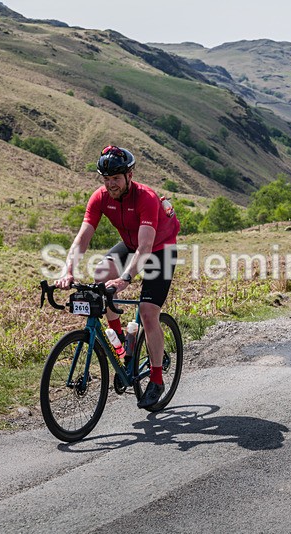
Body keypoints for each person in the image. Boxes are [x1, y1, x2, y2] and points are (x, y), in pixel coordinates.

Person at [55, 145, 181, 409]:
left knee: (148, 313)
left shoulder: (146, 197)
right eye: (106, 179)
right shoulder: (100, 198)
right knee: (100, 276)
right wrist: (67, 270)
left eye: (115, 179)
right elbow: (83, 237)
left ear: (129, 175)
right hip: (131, 244)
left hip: (160, 248)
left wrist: (126, 278)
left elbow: (146, 248)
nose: (110, 184)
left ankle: (156, 379)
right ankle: (120, 342)